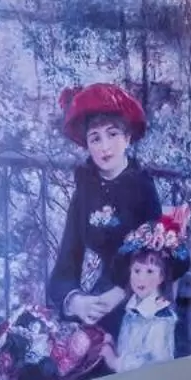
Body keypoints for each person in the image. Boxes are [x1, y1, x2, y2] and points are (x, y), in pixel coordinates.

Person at [47, 83, 162, 333]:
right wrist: (76, 301)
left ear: (127, 138)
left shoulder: (142, 188)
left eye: (112, 134)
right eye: (95, 138)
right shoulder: (84, 192)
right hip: (94, 304)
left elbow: (158, 259)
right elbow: (67, 258)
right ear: (87, 144)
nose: (105, 147)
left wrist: (121, 292)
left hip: (136, 303)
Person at [102, 209, 191, 372]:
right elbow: (130, 351)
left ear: (161, 277)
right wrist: (111, 345)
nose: (141, 278)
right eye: (137, 271)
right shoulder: (132, 310)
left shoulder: (160, 317)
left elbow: (153, 365)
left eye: (150, 271)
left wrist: (115, 362)